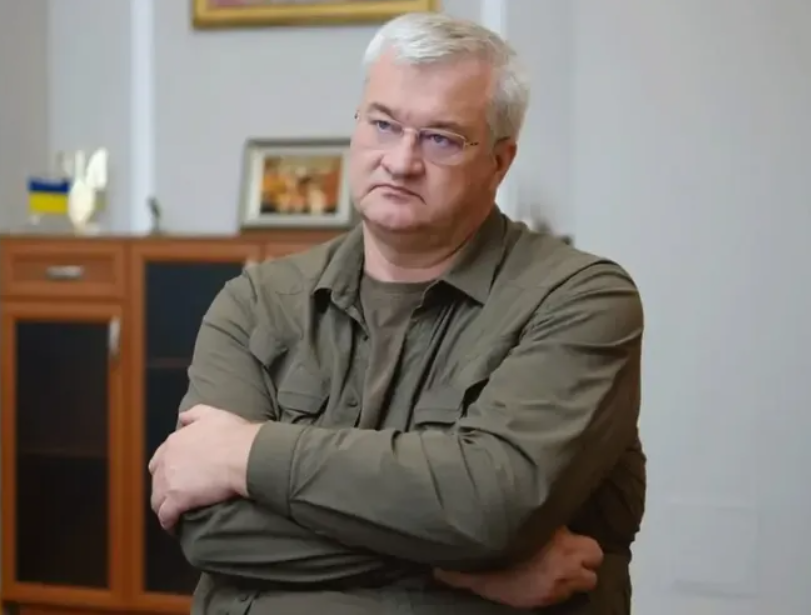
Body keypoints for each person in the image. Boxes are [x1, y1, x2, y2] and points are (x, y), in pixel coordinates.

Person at [148, 11, 646, 614]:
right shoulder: (256, 302)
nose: (402, 160)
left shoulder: (580, 299)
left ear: (500, 161)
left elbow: (492, 507)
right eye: (383, 124)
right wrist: (458, 567)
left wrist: (245, 453)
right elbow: (209, 526)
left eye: (441, 139)